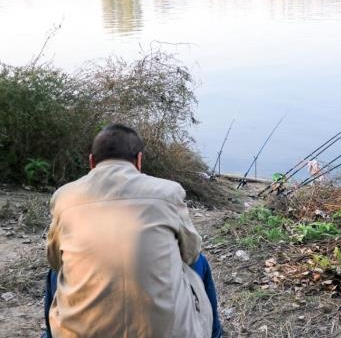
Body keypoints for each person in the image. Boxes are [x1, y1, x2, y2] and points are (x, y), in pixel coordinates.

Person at [43, 123, 222, 338]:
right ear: (138, 160)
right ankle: (216, 334)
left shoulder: (65, 196)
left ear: (92, 162)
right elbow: (191, 252)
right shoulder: (168, 192)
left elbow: (54, 259)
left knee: (56, 272)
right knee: (200, 261)